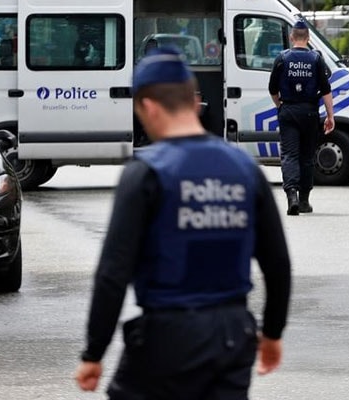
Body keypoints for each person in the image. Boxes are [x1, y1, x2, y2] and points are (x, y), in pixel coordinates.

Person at [75, 46, 292, 399]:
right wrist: (272, 333)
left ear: (147, 106)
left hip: (167, 336)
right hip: (233, 335)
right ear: (194, 103)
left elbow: (113, 273)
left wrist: (93, 354)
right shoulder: (245, 169)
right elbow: (277, 263)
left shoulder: (146, 172)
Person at [268, 19, 334, 216]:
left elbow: (272, 89)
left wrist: (280, 106)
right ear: (308, 38)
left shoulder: (282, 58)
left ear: (291, 37)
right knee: (306, 157)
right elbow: (326, 90)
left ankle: (292, 197)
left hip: (288, 111)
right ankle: (304, 200)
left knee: (289, 155)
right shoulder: (316, 58)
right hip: (310, 112)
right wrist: (330, 116)